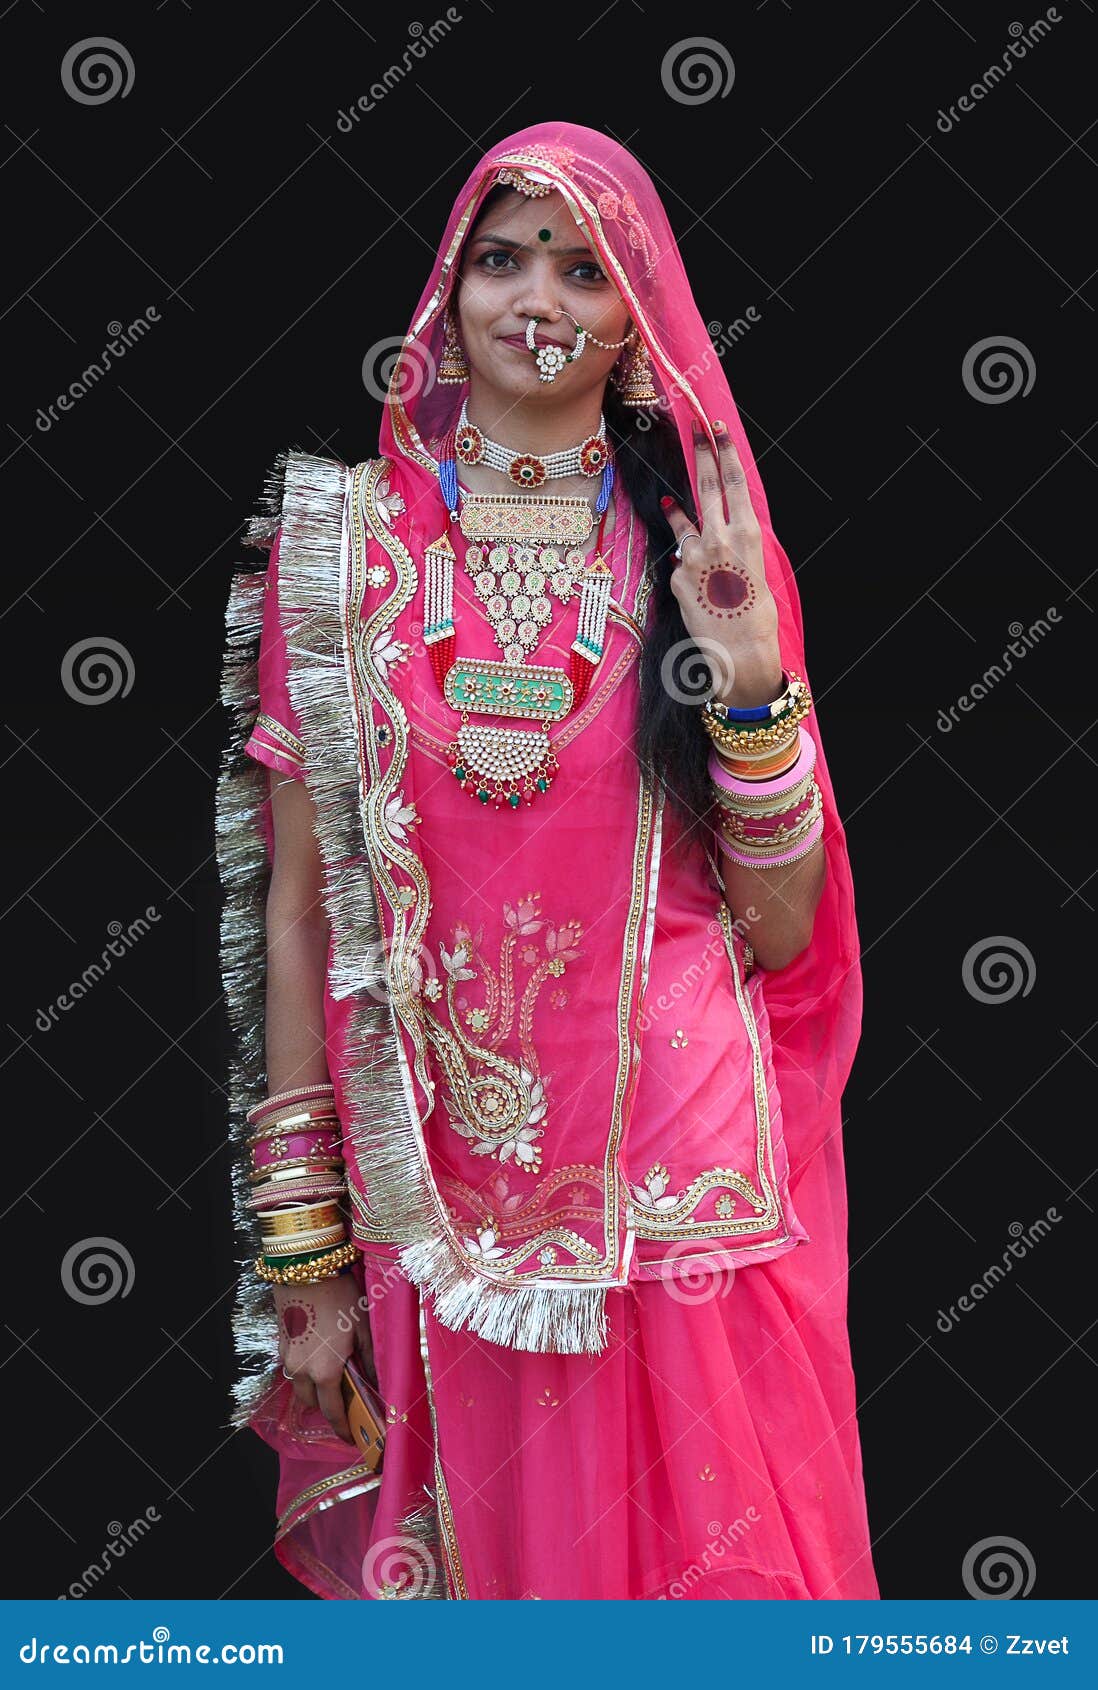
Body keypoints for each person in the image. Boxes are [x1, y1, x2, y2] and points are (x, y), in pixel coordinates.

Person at [215, 121, 878, 1601]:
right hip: (445, 1186)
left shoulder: (703, 553)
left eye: (583, 270)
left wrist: (755, 688)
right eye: (501, 257)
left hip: (671, 1184)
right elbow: (301, 918)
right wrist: (303, 1253)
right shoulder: (340, 557)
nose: (538, 297)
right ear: (444, 298)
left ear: (635, 325)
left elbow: (780, 936)